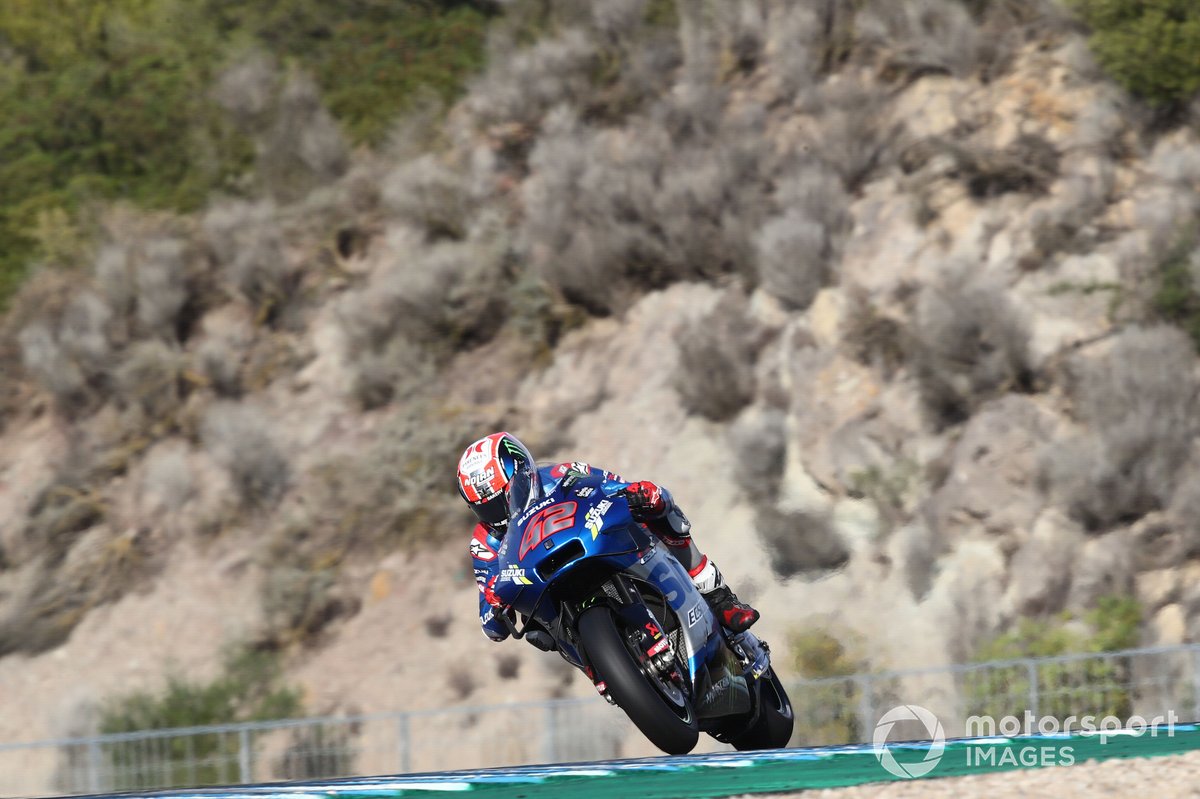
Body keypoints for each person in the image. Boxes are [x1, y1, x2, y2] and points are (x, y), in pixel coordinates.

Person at [458, 432, 759, 648]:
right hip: (552, 595)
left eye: (502, 499)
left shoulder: (564, 474)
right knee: (538, 632)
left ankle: (718, 597)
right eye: (484, 506)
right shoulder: (484, 543)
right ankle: (604, 670)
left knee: (656, 502)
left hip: (598, 547)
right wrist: (495, 608)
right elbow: (490, 622)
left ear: (523, 472)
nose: (497, 512)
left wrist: (637, 494)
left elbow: (617, 487)